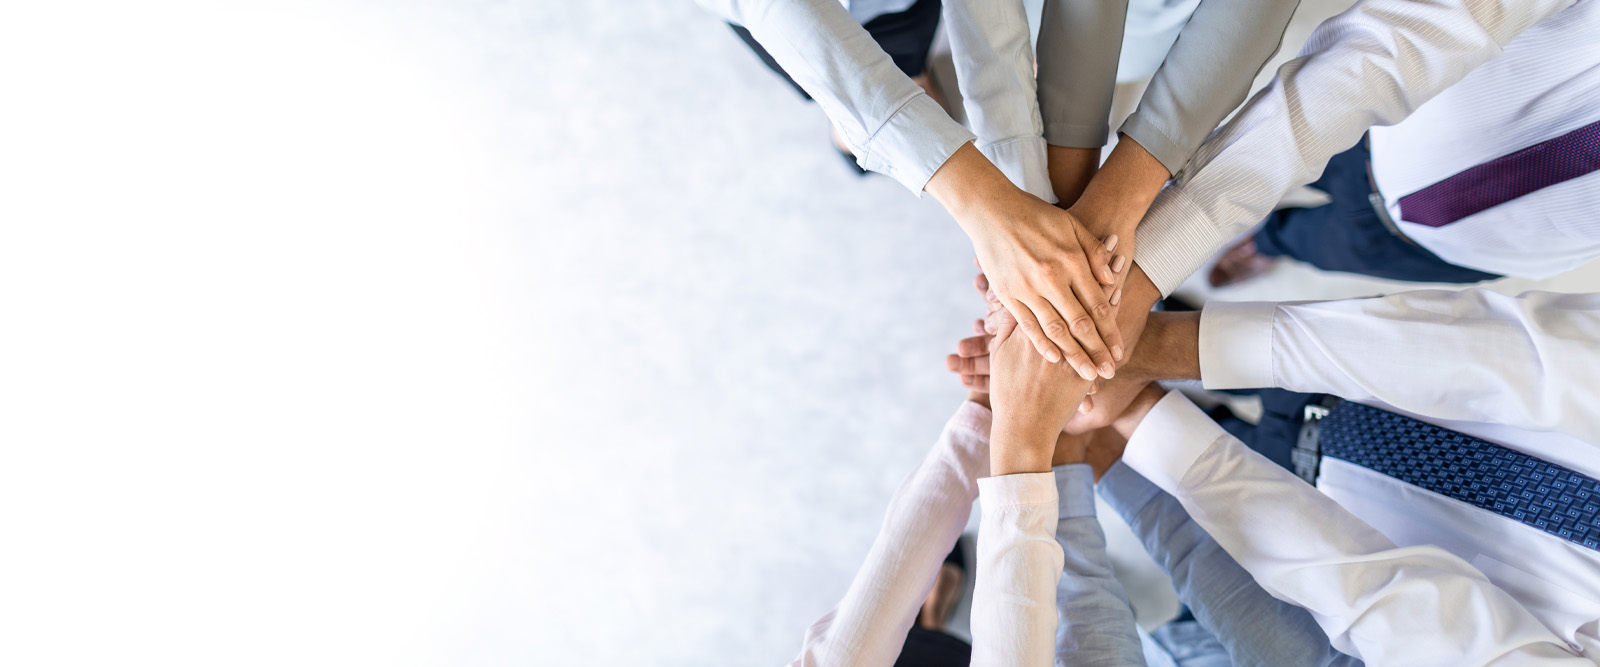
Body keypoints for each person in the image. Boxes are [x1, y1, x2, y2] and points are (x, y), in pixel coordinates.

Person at [952, 285, 1600, 661]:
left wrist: (1060, 435)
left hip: (1312, 572)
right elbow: (1518, 353)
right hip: (1355, 399)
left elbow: (1410, 616)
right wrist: (1155, 351)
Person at [1206, 0, 1600, 287]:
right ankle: (1227, 185)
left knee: (1316, 245)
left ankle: (1269, 243)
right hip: (1383, 127)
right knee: (1256, 161)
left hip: (1447, 250)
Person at [723, 0, 947, 176]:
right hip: (778, 21)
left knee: (908, 74)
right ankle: (850, 132)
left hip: (888, 9)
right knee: (832, 92)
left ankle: (855, 132)